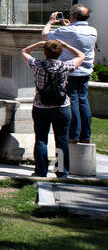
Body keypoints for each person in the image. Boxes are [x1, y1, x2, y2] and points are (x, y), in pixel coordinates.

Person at [22, 37, 87, 178]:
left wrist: (39, 43)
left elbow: (24, 51)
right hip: (61, 107)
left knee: (41, 139)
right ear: (60, 52)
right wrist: (65, 45)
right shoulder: (65, 66)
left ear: (44, 52)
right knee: (61, 139)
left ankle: (40, 171)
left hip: (41, 106)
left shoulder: (37, 64)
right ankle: (61, 172)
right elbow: (81, 56)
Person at [43, 5, 97, 145]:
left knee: (72, 100)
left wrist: (50, 22)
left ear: (73, 16)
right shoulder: (92, 31)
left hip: (71, 70)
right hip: (85, 71)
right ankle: (86, 135)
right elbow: (76, 38)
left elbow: (45, 35)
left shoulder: (67, 31)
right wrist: (66, 26)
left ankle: (74, 134)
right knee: (83, 101)